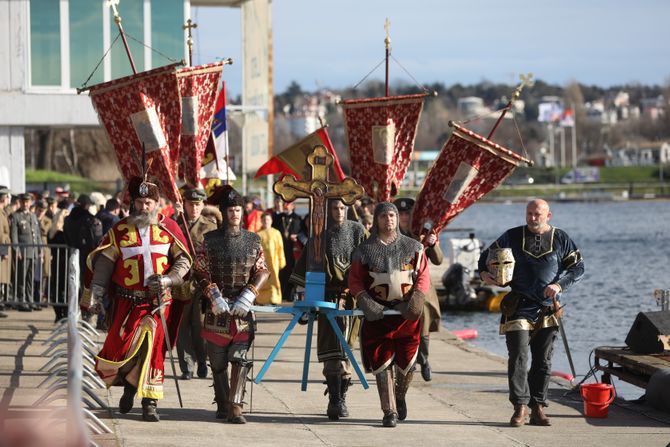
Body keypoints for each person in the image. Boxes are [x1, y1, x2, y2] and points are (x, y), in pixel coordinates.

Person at [82, 177, 192, 422]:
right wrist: (96, 295)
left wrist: (168, 279)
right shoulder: (119, 231)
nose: (145, 207)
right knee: (121, 350)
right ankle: (130, 387)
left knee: (152, 352)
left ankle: (149, 403)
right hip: (127, 303)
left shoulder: (169, 229)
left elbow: (184, 261)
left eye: (149, 202)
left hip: (158, 303)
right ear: (134, 203)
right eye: (140, 202)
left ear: (157, 203)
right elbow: (104, 266)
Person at [478, 199, 584, 427]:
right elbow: (485, 256)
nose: (532, 218)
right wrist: (485, 274)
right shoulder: (512, 235)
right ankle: (520, 406)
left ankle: (538, 407)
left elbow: (578, 267)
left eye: (537, 214)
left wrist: (559, 285)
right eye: (529, 214)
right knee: (518, 356)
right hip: (518, 305)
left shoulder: (561, 238)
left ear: (548, 215)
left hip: (548, 307)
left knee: (543, 360)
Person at [348, 202, 430, 428]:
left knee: (408, 364)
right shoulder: (365, 250)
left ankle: (400, 396)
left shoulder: (414, 247)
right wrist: (365, 301)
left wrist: (417, 300)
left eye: (392, 215)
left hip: (405, 313)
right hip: (378, 313)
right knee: (381, 364)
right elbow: (354, 280)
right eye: (384, 216)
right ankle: (388, 411)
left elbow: (422, 276)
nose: (389, 219)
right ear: (377, 220)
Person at [193, 186, 269, 424]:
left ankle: (236, 406)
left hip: (242, 310)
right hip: (218, 308)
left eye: (238, 209)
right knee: (217, 363)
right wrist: (211, 293)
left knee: (239, 358)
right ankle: (223, 403)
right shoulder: (209, 240)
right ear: (224, 213)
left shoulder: (253, 240)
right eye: (231, 210)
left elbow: (262, 270)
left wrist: (250, 293)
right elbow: (200, 270)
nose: (235, 214)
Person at [290, 199, 367, 420]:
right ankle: (334, 400)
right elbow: (304, 271)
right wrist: (303, 300)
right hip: (325, 298)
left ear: (348, 209)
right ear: (328, 210)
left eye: (342, 208)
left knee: (346, 350)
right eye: (335, 208)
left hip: (351, 299)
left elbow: (371, 261)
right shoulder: (319, 236)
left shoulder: (358, 231)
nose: (339, 212)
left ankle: (342, 397)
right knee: (330, 350)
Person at [395, 197, 443, 382]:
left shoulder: (422, 233)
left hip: (422, 287)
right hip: (399, 286)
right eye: (402, 214)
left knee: (423, 322)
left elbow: (438, 260)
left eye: (408, 213)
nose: (405, 217)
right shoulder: (392, 234)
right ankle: (408, 360)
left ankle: (424, 360)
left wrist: (434, 243)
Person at [174, 187, 217, 380]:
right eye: (191, 205)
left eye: (198, 205)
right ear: (184, 204)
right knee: (182, 327)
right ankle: (187, 366)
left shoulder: (210, 227)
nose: (194, 208)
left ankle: (202, 361)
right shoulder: (175, 225)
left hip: (201, 284)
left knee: (200, 326)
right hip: (181, 284)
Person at [11, 193, 42, 311]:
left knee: (30, 277)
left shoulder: (33, 216)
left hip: (33, 251)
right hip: (23, 251)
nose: (26, 204)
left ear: (30, 203)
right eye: (24, 202)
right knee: (22, 277)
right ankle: (22, 300)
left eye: (28, 202)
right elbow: (14, 235)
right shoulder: (16, 216)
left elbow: (37, 234)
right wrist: (16, 249)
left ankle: (30, 299)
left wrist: (40, 249)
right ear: (21, 202)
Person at [272, 197, 303, 301]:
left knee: (291, 270)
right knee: (281, 271)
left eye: (288, 204)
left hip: (292, 249)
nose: (286, 206)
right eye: (285, 204)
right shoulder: (279, 217)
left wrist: (297, 236)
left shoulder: (297, 218)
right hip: (280, 248)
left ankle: (290, 294)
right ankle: (280, 294)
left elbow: (302, 232)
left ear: (293, 206)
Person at [256, 212, 285, 305]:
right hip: (263, 261)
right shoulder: (258, 234)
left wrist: (281, 261)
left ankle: (274, 299)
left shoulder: (276, 233)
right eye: (264, 220)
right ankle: (262, 300)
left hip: (274, 261)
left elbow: (280, 248)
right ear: (261, 221)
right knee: (263, 280)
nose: (266, 221)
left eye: (268, 219)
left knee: (274, 280)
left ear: (271, 221)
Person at [47, 204, 70, 322]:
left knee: (56, 287)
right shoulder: (64, 234)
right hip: (64, 263)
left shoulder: (51, 233)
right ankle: (64, 314)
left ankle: (58, 314)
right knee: (64, 288)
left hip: (56, 263)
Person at [0, 187, 11, 316]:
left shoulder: (3, 212)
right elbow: (1, 234)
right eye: (7, 197)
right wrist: (4, 250)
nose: (9, 200)